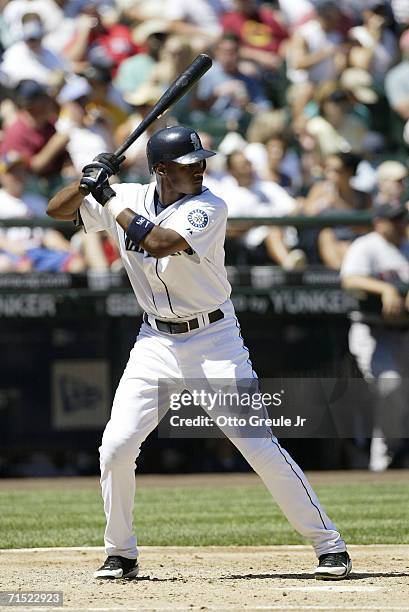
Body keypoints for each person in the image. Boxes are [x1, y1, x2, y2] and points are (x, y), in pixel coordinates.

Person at [47, 125, 352, 581]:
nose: (202, 169)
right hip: (154, 342)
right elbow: (57, 210)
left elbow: (158, 242)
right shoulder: (127, 193)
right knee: (115, 446)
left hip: (214, 341)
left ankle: (330, 546)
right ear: (163, 171)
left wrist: (107, 195)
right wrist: (87, 178)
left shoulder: (209, 206)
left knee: (258, 446)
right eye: (191, 164)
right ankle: (121, 553)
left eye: (201, 161)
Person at [340, 202, 409, 470]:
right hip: (372, 330)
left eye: (402, 219)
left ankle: (392, 455)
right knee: (389, 385)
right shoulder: (367, 245)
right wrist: (386, 289)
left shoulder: (406, 244)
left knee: (400, 396)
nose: (399, 224)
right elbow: (349, 280)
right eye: (393, 220)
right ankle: (385, 460)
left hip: (403, 332)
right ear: (379, 222)